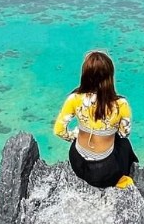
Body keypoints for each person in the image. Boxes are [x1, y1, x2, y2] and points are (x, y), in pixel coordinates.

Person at [53, 50, 138, 188]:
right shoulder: (121, 104)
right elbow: (124, 133)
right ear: (110, 77)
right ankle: (123, 178)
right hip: (105, 172)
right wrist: (107, 131)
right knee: (124, 144)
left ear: (85, 75)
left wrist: (75, 135)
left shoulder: (74, 98)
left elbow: (59, 130)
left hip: (78, 164)